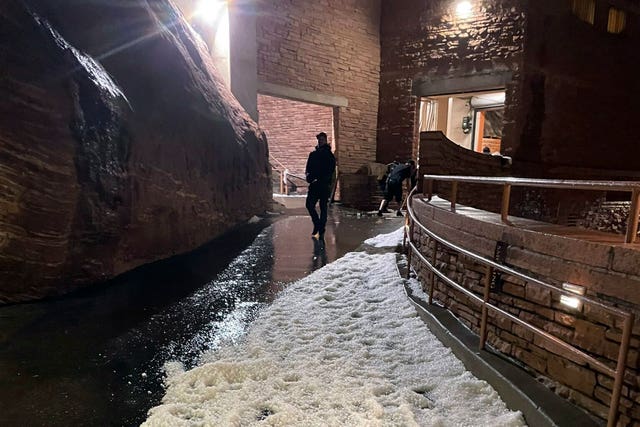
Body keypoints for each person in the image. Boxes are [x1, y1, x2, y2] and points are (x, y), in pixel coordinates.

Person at [305, 132, 336, 238]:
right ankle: (317, 224)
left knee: (323, 207)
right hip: (315, 184)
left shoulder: (329, 155)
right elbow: (308, 168)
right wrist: (309, 178)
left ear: (325, 140)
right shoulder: (313, 154)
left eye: (322, 139)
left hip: (323, 184)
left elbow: (331, 171)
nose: (320, 141)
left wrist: (325, 181)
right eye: (319, 140)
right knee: (309, 205)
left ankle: (321, 227)